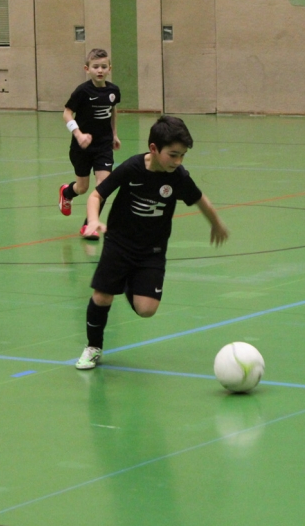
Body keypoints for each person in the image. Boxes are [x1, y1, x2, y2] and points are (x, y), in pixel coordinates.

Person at [74, 115, 228, 369]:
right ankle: (93, 347)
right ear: (154, 149)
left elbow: (200, 200)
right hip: (119, 244)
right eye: (173, 155)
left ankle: (127, 283)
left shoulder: (178, 177)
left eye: (182, 156)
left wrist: (216, 223)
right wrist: (93, 220)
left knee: (146, 309)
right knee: (102, 296)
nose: (178, 161)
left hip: (152, 250)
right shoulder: (132, 168)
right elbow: (96, 195)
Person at [57, 48, 121, 240]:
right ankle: (67, 192)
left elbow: (112, 111)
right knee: (82, 187)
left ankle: (89, 225)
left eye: (103, 66)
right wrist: (78, 134)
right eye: (95, 67)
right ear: (87, 69)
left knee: (104, 186)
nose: (100, 70)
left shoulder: (113, 91)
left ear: (109, 68)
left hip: (103, 146)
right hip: (82, 147)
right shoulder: (82, 91)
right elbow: (67, 113)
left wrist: (114, 134)